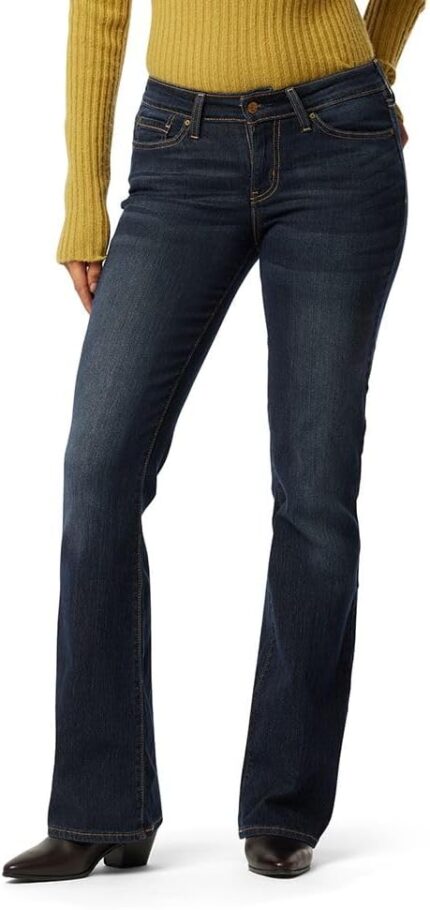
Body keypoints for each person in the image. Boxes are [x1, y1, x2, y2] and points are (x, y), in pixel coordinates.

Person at [3, 0, 425, 883]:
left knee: (314, 490)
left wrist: (379, 66)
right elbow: (99, 11)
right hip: (179, 149)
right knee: (99, 469)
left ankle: (284, 805)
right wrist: (83, 199)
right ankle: (101, 807)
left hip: (337, 143)